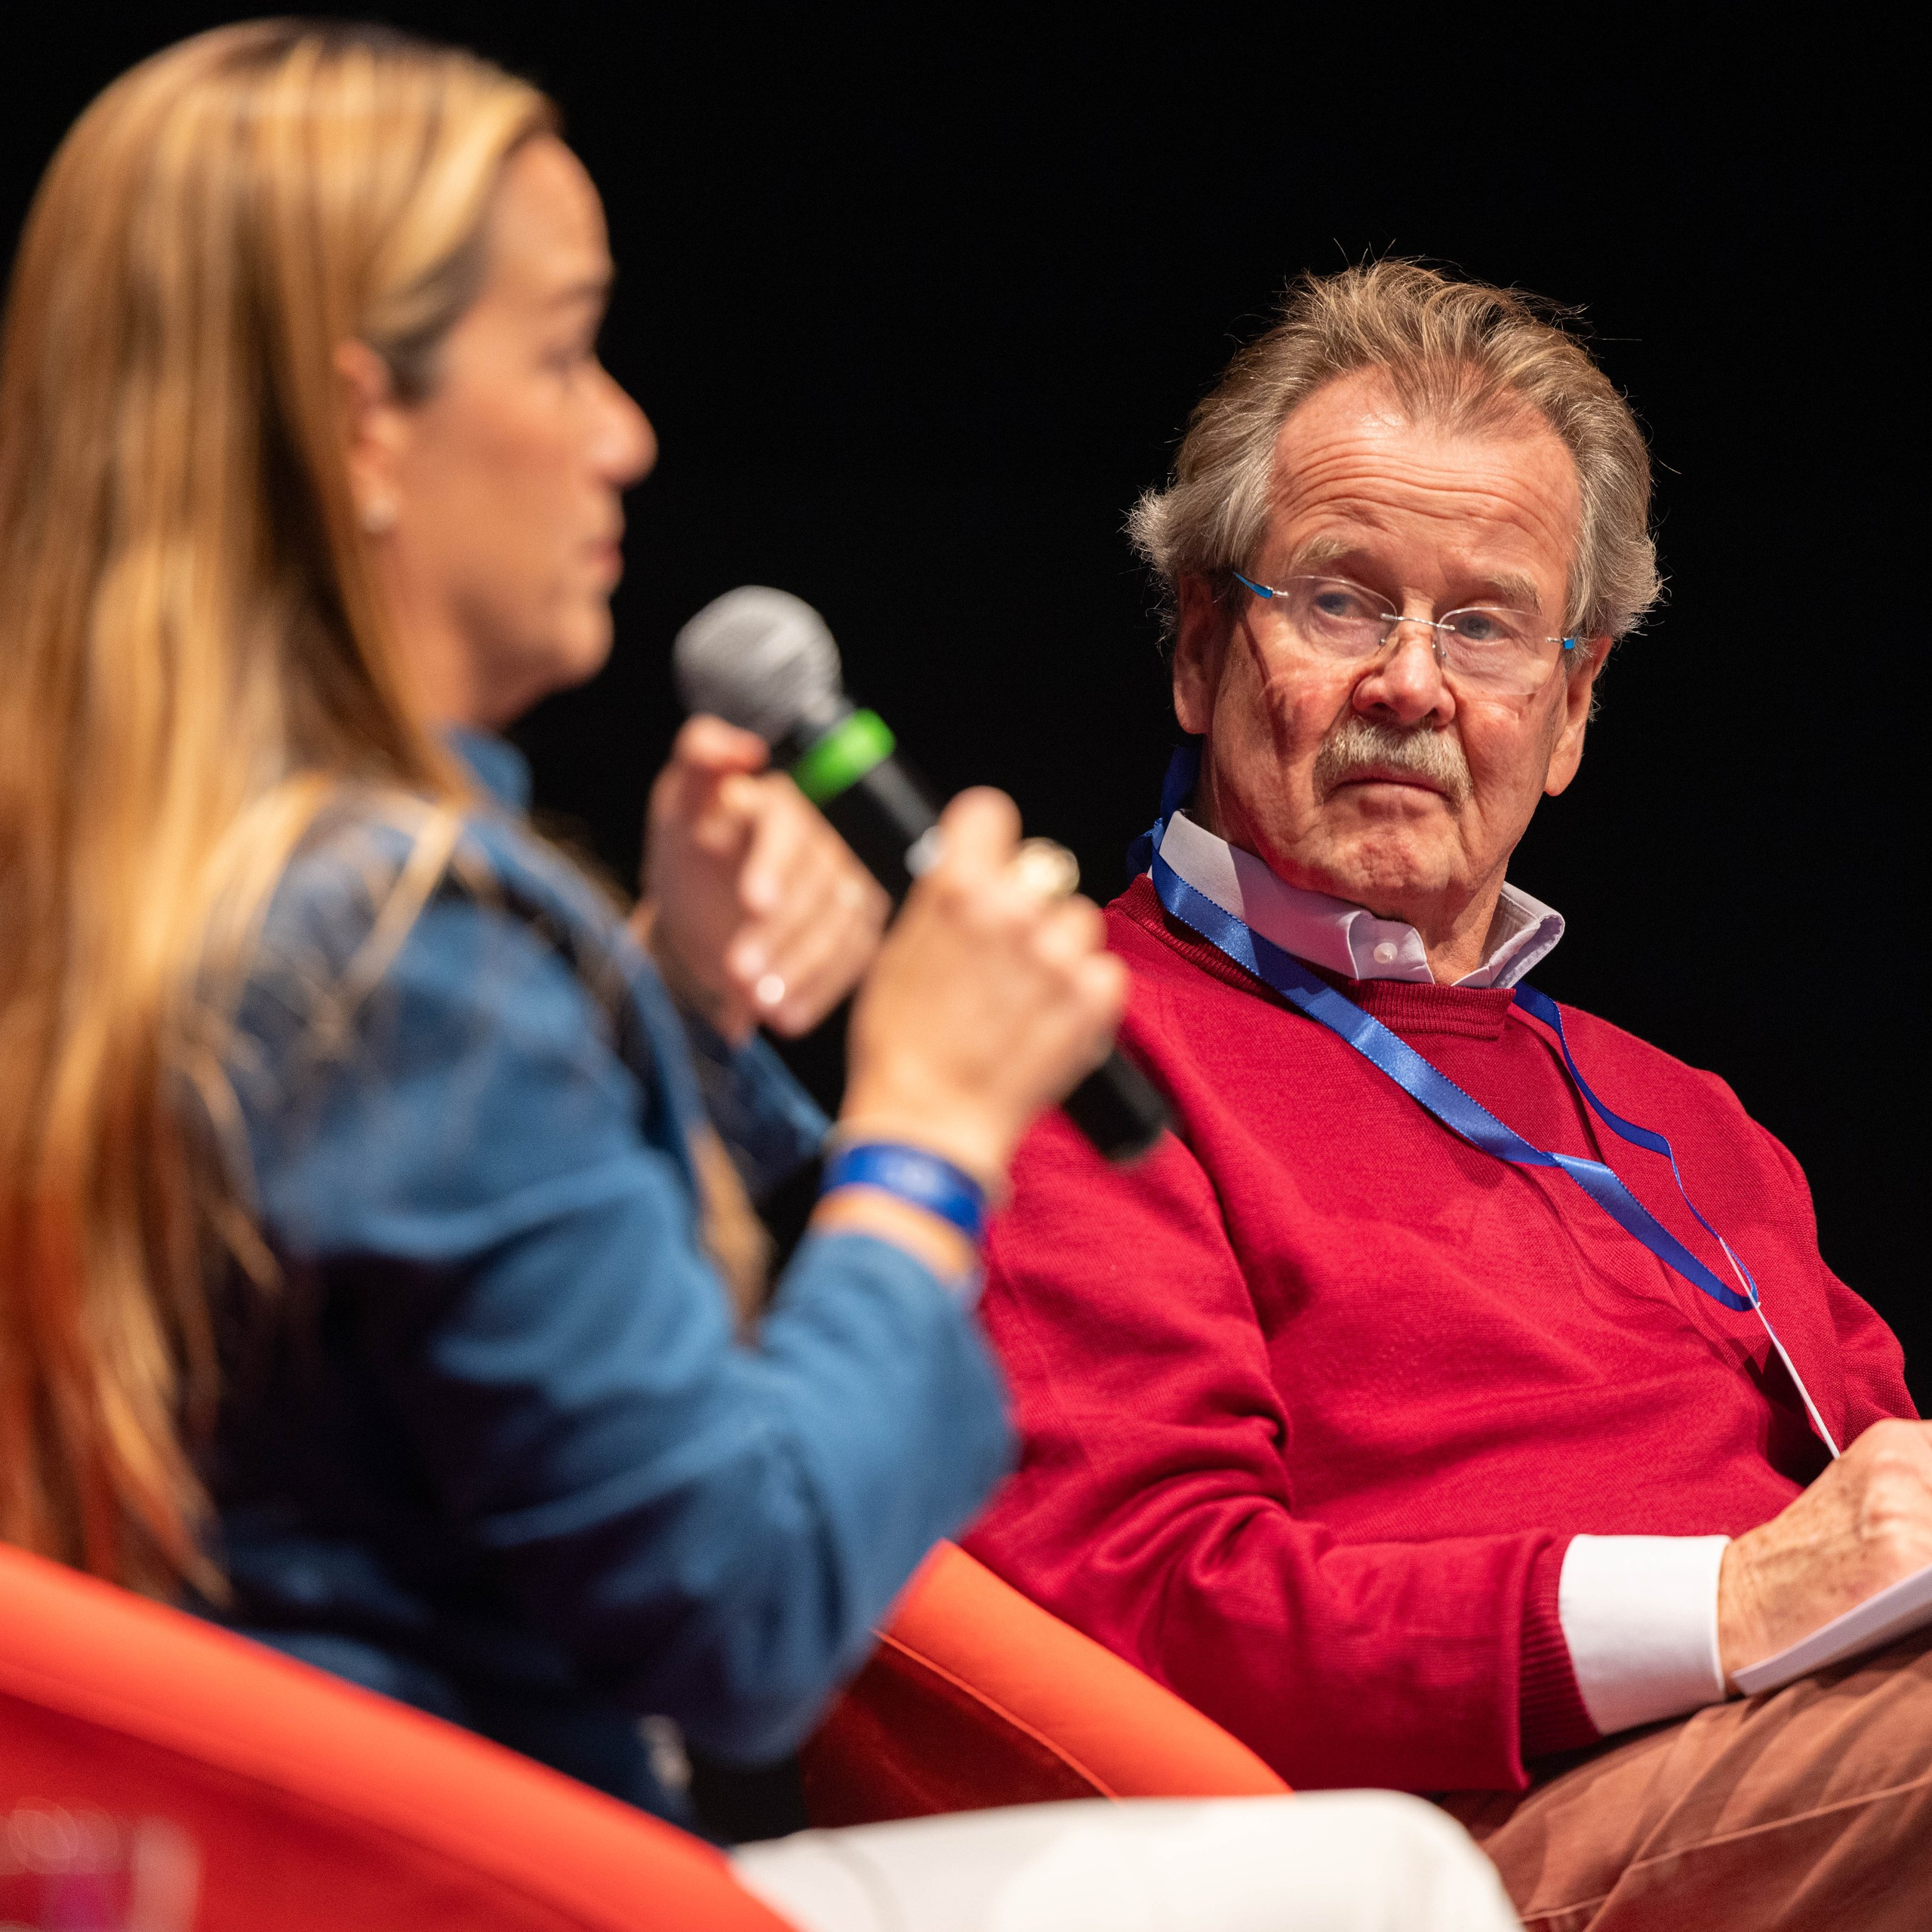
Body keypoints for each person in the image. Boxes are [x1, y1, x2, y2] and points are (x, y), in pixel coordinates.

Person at [0, 26, 1522, 1931]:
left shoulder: (159, 890)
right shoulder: (401, 948)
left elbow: (409, 1358)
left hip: (210, 1860)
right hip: (454, 1871)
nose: (623, 430)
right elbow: (744, 1608)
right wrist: (930, 1123)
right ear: (365, 422)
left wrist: (680, 1019)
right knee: (1373, 1876)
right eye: (561, 352)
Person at [961, 259, 1932, 1930]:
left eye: (1482, 624)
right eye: (1338, 600)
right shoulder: (1063, 1039)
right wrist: (1735, 1594)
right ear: (1199, 650)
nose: (1410, 681)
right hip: (1450, 1844)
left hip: (1822, 1764)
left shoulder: (1688, 1117)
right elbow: (1157, 1612)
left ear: (1568, 709)